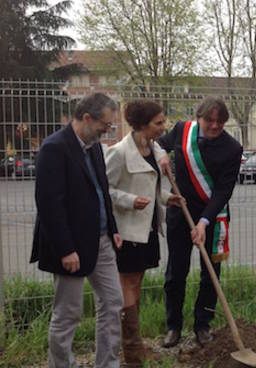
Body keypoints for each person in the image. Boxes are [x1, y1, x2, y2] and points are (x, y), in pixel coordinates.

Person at [30, 92, 125, 367]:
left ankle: (107, 363)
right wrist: (66, 249)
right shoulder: (54, 148)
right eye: (105, 125)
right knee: (68, 313)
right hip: (70, 248)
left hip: (102, 241)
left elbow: (102, 190)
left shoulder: (94, 146)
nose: (107, 131)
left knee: (112, 302)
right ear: (86, 118)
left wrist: (113, 227)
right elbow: (49, 205)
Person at [157, 96, 242, 347]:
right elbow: (158, 144)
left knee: (210, 275)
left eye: (220, 122)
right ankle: (173, 327)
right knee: (176, 272)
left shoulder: (233, 149)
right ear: (198, 117)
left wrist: (204, 222)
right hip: (180, 213)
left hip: (213, 217)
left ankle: (202, 325)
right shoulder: (182, 130)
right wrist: (162, 155)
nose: (215, 126)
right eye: (209, 120)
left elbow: (223, 192)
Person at [104, 100, 182, 365]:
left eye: (163, 121)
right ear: (141, 124)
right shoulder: (118, 153)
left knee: (137, 284)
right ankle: (132, 351)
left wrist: (166, 197)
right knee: (128, 284)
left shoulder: (151, 147)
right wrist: (129, 200)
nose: (163, 127)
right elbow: (105, 190)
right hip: (127, 230)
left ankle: (133, 346)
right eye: (158, 123)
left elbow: (149, 185)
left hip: (147, 227)